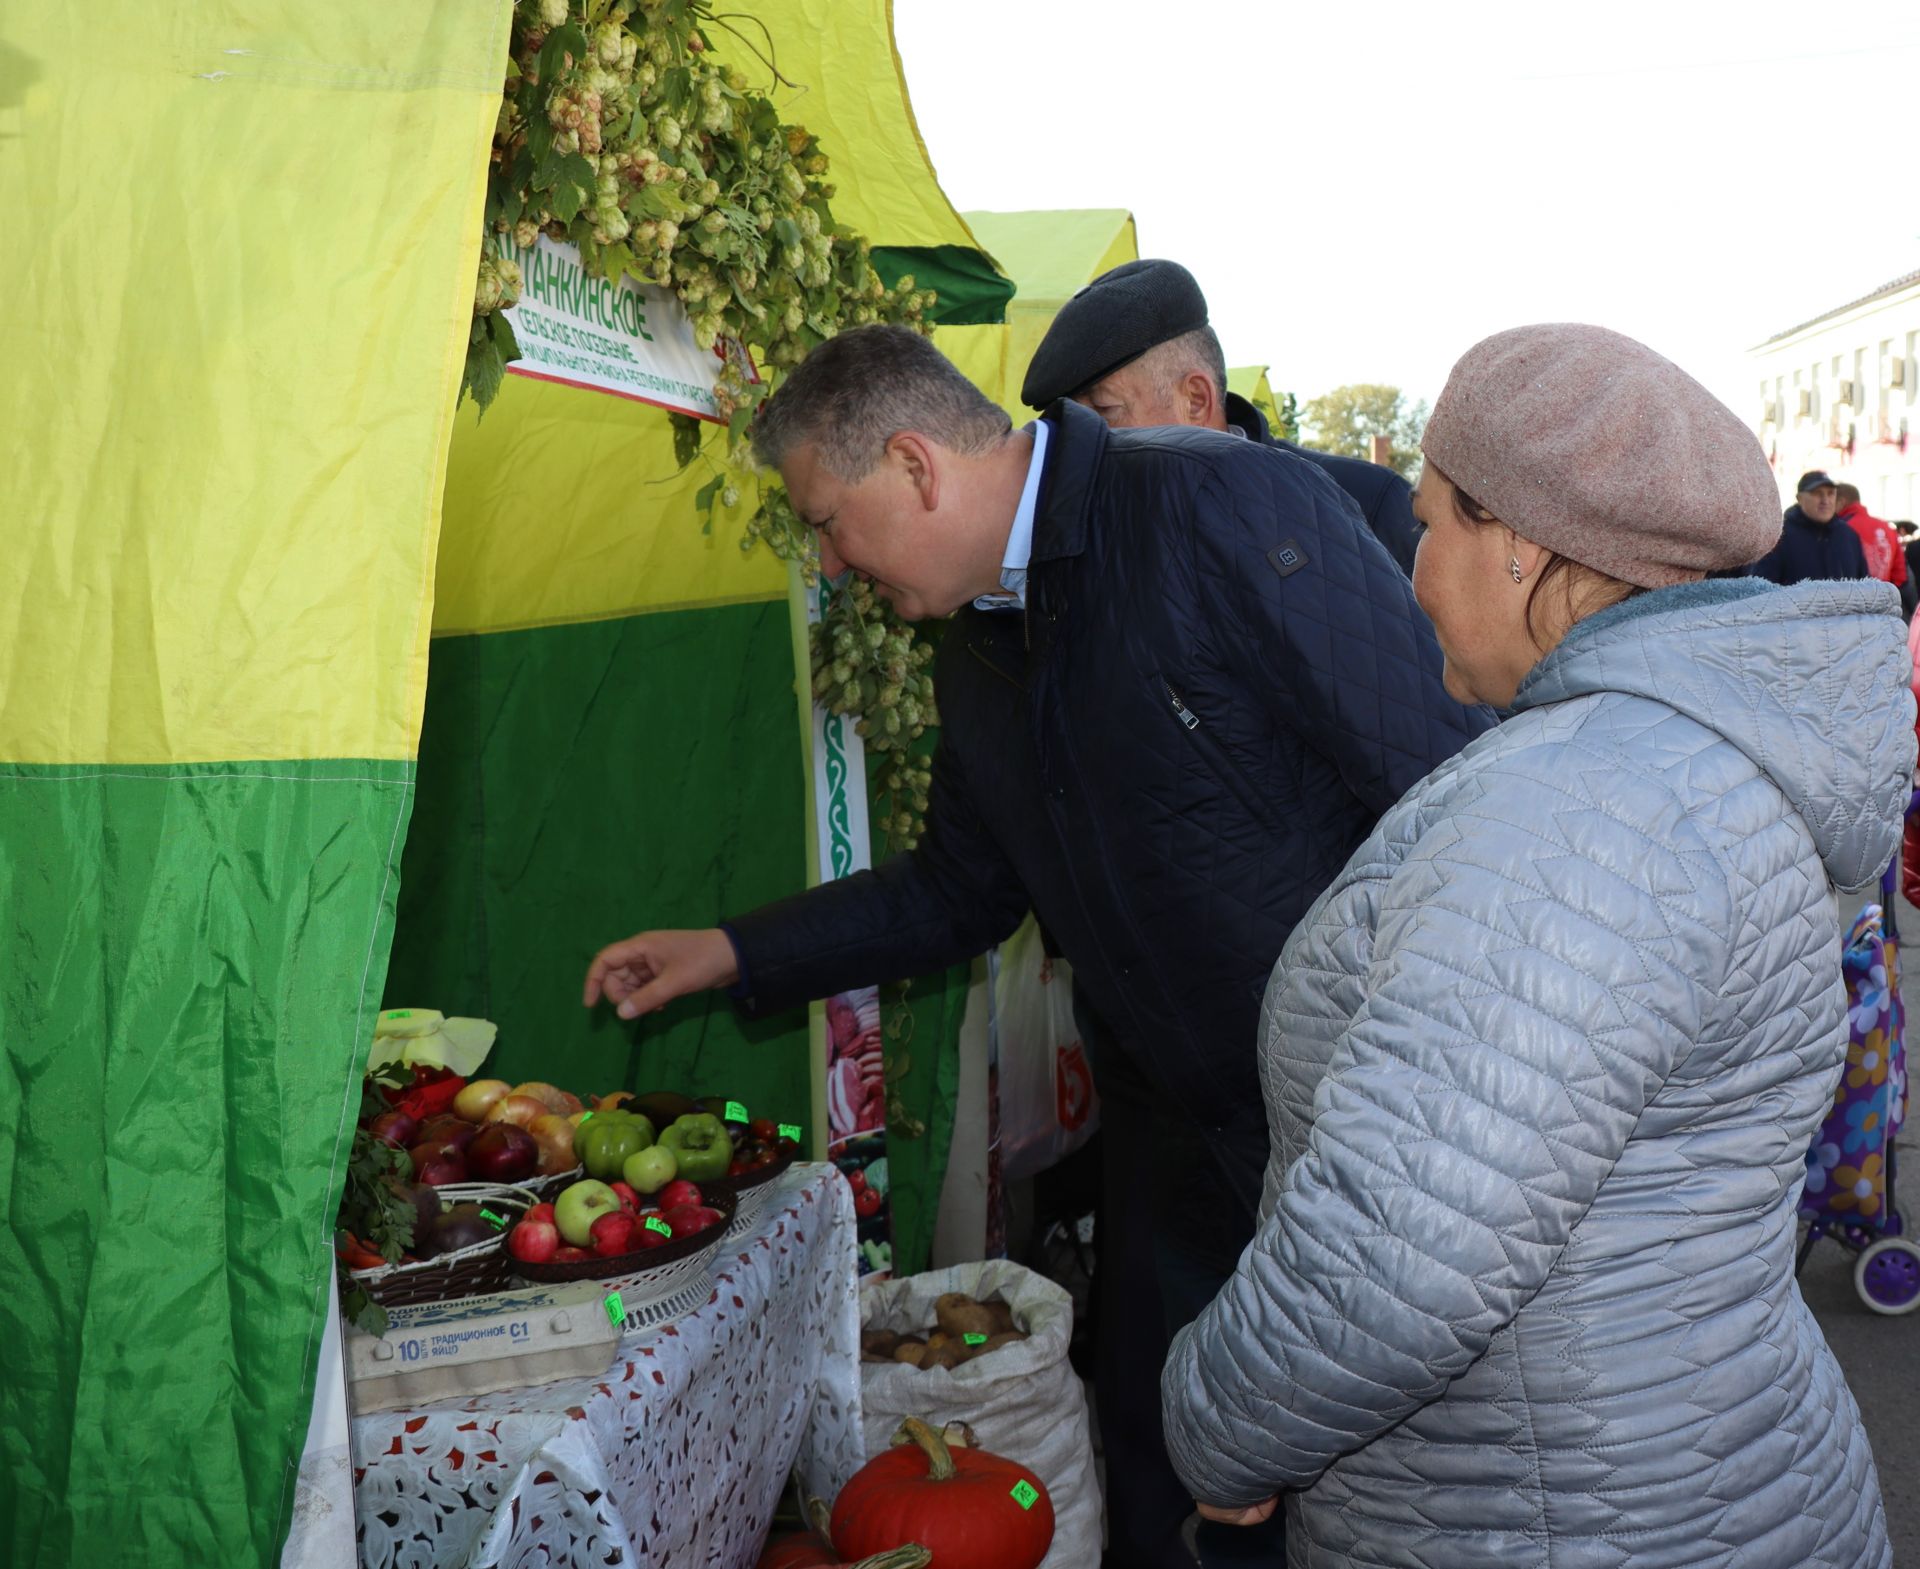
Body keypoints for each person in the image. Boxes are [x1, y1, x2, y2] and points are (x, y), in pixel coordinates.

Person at [583, 324, 1492, 1569]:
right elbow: (964, 889)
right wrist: (734, 952)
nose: (830, 563)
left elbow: (1447, 787)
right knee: (1173, 1470)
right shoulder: (975, 645)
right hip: (1172, 1139)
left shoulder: (1210, 504)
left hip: (1356, 1134)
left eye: (826, 521)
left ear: (913, 466)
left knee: (1373, 1491)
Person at [1161, 323, 1902, 1568]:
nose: (1413, 573)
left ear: (1522, 546)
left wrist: (1212, 1427)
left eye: (1432, 523)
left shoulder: (1584, 809)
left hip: (1571, 1513)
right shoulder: (1672, 760)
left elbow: (1398, 1261)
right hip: (1683, 1476)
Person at [1021, 258, 1422, 575]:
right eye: (1072, 420)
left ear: (1195, 400)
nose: (1083, 439)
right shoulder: (1078, 531)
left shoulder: (1369, 503)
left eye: (1104, 411)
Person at [1745, 468, 1869, 583]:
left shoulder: (1849, 536)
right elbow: (1764, 590)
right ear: (1799, 498)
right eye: (1817, 493)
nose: (1825, 500)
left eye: (1830, 493)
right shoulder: (1779, 538)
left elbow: (1864, 586)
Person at [1836, 481, 1908, 592]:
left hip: (1850, 601)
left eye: (1831, 498)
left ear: (1841, 502)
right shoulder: (1887, 527)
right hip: (1884, 600)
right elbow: (1900, 575)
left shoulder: (1840, 529)